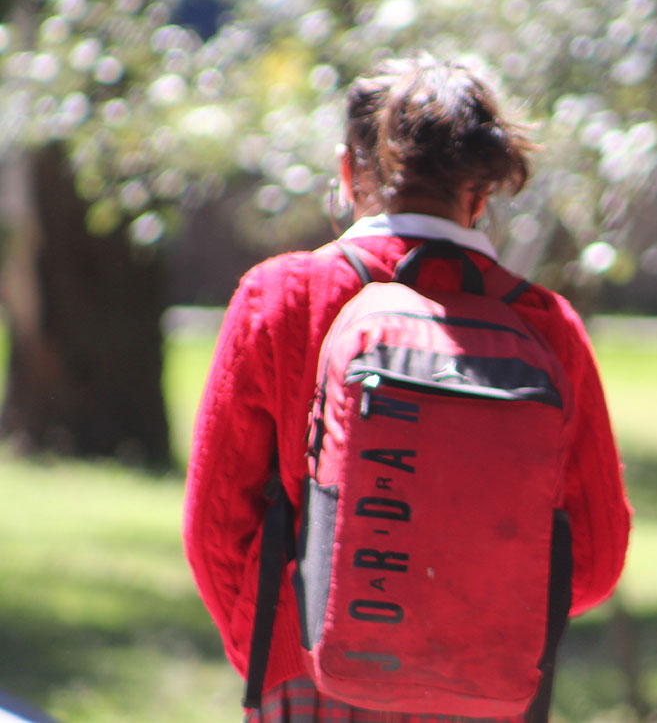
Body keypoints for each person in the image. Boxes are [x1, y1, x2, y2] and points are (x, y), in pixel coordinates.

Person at [184, 53, 632, 722]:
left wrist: (278, 644)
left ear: (346, 172)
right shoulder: (546, 327)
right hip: (482, 687)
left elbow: (215, 528)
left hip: (311, 678)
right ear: (480, 194)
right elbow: (593, 558)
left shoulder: (281, 298)